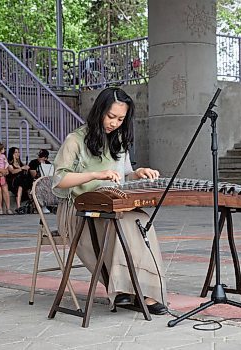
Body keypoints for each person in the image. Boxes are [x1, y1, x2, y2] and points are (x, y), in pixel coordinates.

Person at [52, 87, 167, 315]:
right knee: (121, 224)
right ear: (99, 112)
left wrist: (139, 172)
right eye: (111, 116)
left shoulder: (119, 139)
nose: (115, 123)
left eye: (121, 119)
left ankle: (140, 290)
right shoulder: (75, 140)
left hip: (112, 205)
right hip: (78, 210)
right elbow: (59, 179)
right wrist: (95, 174)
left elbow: (124, 174)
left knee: (141, 222)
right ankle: (125, 289)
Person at [7, 147, 31, 214]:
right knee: (20, 185)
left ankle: (34, 205)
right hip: (13, 182)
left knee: (28, 182)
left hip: (22, 181)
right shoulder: (9, 163)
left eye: (18, 152)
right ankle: (18, 206)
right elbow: (12, 171)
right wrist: (22, 168)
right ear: (12, 154)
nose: (18, 154)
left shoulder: (20, 163)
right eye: (16, 152)